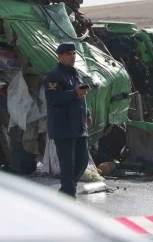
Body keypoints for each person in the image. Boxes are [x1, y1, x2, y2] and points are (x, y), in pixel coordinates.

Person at [44, 42, 93, 199]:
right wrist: (74, 94)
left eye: (73, 53)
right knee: (67, 165)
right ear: (60, 56)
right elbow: (52, 98)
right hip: (63, 127)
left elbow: (81, 96)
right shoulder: (53, 76)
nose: (72, 56)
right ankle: (68, 196)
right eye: (68, 54)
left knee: (82, 162)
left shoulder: (75, 73)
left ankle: (66, 192)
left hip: (78, 125)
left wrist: (87, 113)